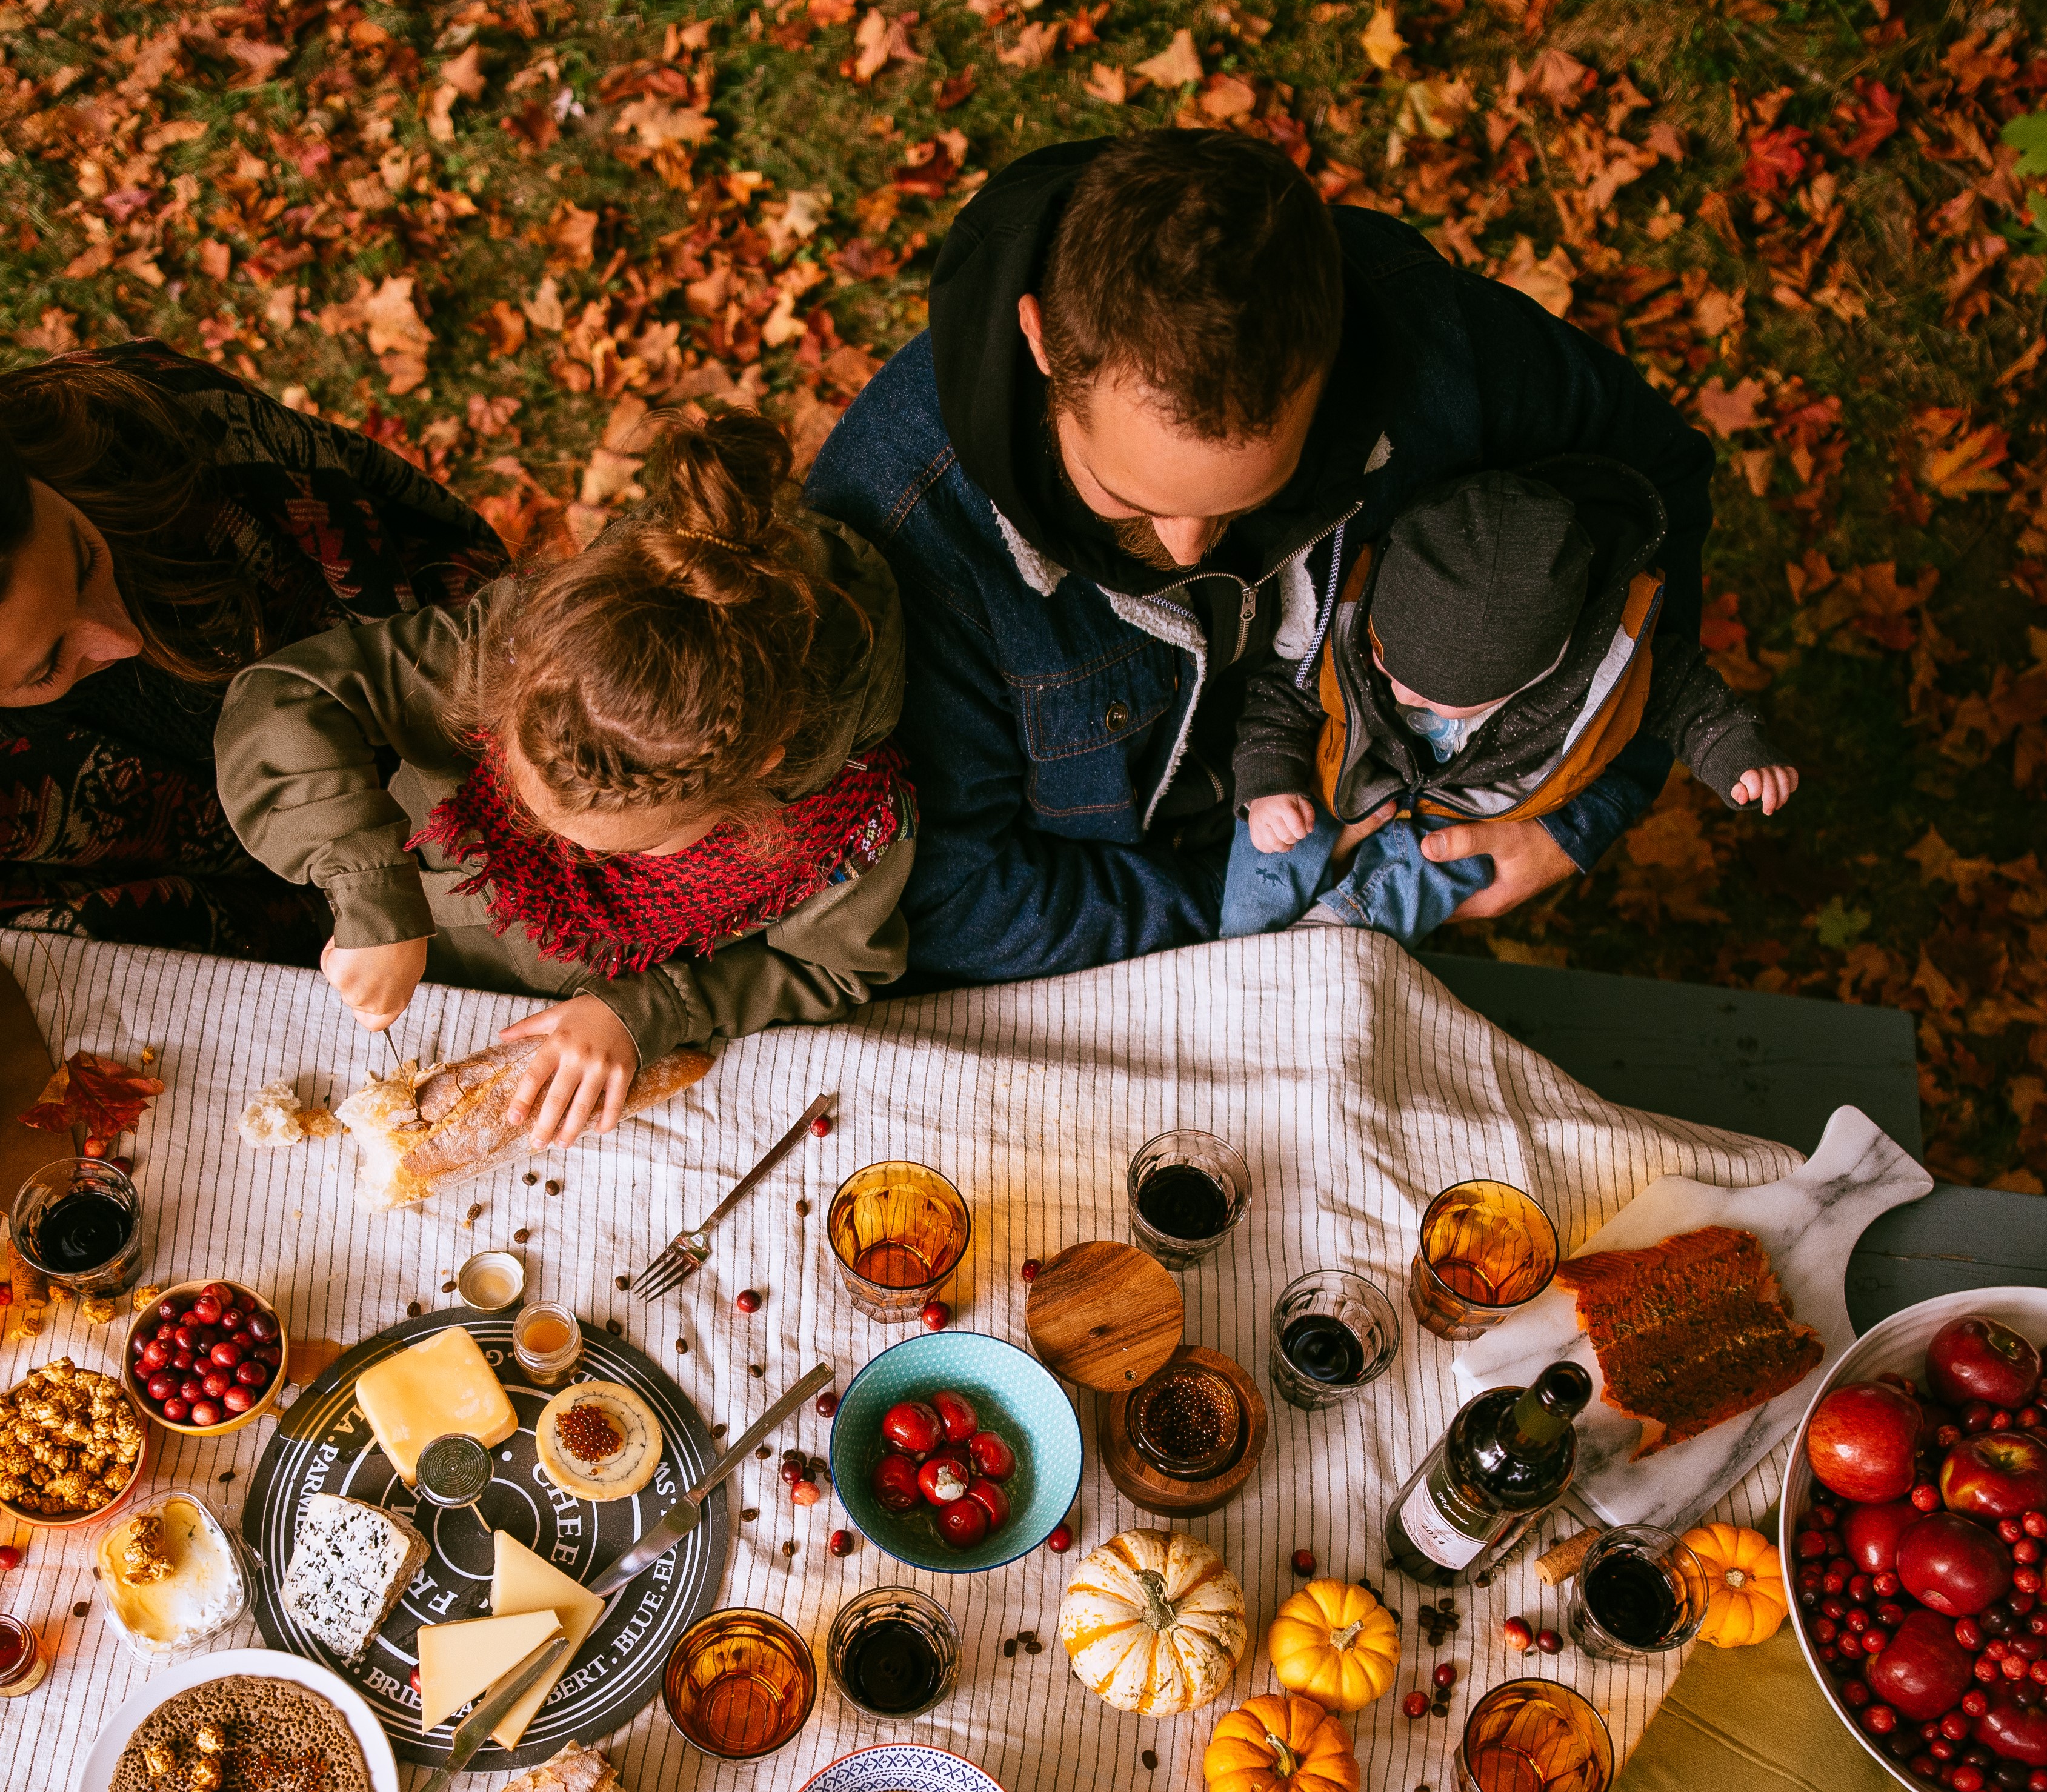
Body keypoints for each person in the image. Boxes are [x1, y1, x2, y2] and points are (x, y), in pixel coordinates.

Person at [803, 128, 1719, 984]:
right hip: (1127, 937)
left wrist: (1576, 817)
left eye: (1252, 502)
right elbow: (952, 896)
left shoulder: (1434, 343)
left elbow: (1655, 492)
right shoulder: (901, 520)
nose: (1189, 551)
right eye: (1132, 497)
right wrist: (1267, 916)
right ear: (1042, 340)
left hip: (1392, 838)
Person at [214, 408, 913, 1146]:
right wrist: (367, 889)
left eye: (628, 847)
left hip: (605, 1046)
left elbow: (829, 972)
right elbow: (286, 700)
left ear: (757, 778)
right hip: (409, 966)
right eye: (526, 802)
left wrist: (651, 1008)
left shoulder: (844, 828)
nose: (558, 849)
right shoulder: (516, 647)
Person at [0, 338, 502, 958]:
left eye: (87, 560)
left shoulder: (165, 427)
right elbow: (21, 967)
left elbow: (449, 590)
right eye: (46, 664)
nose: (120, 639)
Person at [1226, 462, 1797, 944]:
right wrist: (1269, 781)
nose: (1399, 693)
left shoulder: (1601, 662)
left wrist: (1736, 752)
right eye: (1383, 660)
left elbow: (1684, 694)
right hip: (1340, 776)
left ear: (1525, 678)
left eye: (1427, 696)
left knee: (1436, 871)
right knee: (1276, 843)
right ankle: (1236, 944)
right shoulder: (1353, 611)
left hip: (1475, 808)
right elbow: (1286, 689)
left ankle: (1335, 937)